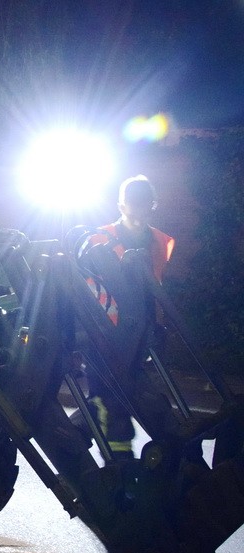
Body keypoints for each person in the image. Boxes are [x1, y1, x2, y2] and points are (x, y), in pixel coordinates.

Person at [82, 175, 175, 456]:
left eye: (144, 205)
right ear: (121, 205)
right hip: (105, 337)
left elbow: (155, 288)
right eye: (131, 205)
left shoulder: (160, 241)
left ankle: (96, 438)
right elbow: (87, 293)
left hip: (141, 336)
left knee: (123, 399)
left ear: (153, 206)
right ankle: (119, 465)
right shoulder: (99, 239)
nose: (137, 212)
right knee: (110, 403)